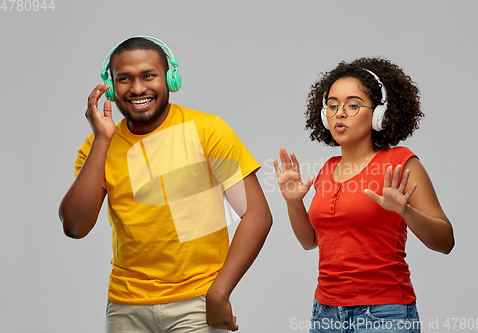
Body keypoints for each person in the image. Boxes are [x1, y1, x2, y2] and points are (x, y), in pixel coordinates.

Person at [59, 36, 272, 333]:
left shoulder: (207, 131)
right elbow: (75, 227)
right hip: (125, 306)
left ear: (171, 78)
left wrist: (219, 293)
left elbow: (257, 215)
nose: (137, 89)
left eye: (148, 75)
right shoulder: (97, 147)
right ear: (110, 86)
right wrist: (103, 140)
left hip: (198, 303)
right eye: (124, 79)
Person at [274, 57, 454, 333]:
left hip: (384, 315)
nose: (340, 113)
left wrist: (406, 211)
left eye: (353, 105)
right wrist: (294, 202)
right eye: (332, 106)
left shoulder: (401, 163)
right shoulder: (327, 169)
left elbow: (445, 241)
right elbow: (310, 241)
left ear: (379, 115)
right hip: (326, 314)